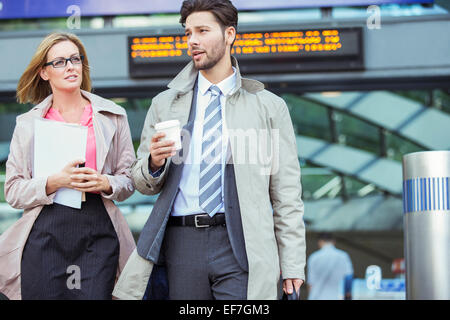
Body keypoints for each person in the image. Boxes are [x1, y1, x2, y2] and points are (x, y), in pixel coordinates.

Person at [113, 0, 306, 300]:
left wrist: (292, 261)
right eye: (188, 32)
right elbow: (141, 182)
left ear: (229, 35)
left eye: (203, 30)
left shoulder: (268, 107)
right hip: (182, 242)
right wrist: (153, 161)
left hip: (243, 241)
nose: (193, 41)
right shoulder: (166, 104)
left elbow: (286, 192)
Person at [0, 32, 136, 300]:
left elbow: (129, 179)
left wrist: (105, 182)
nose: (71, 66)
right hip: (45, 232)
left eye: (75, 59)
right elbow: (13, 191)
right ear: (44, 73)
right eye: (60, 62)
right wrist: (55, 181)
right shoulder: (28, 124)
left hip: (98, 229)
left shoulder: (113, 115)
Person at [307, 232, 354, 300]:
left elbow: (310, 282)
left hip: (317, 297)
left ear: (320, 242)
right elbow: (349, 277)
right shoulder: (343, 256)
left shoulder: (314, 257)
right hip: (337, 297)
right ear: (333, 241)